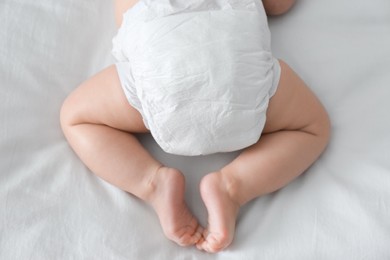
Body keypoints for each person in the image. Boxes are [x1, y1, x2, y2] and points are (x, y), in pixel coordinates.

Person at [60, 0, 330, 253]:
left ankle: (152, 182)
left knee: (76, 118)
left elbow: (124, 18)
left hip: (162, 83)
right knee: (312, 127)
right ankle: (233, 186)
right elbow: (281, 5)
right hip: (240, 85)